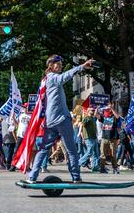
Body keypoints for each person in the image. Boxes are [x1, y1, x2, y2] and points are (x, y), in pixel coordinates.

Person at [27, 55, 94, 183]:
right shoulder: (53, 77)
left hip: (50, 120)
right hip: (61, 119)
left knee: (43, 149)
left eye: (61, 64)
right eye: (57, 63)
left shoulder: (45, 80)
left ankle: (32, 177)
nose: (60, 66)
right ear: (50, 66)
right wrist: (81, 66)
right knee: (72, 150)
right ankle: (76, 177)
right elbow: (64, 77)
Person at [95, 103, 121, 173]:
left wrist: (112, 108)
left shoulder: (114, 117)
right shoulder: (103, 117)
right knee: (103, 154)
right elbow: (96, 115)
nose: (106, 111)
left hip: (113, 138)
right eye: (105, 110)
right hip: (104, 138)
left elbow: (118, 117)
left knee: (113, 154)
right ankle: (102, 168)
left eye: (107, 110)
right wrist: (97, 108)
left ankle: (115, 168)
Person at [78, 107, 100, 172]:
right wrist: (79, 133)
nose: (93, 111)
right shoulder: (86, 118)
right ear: (88, 111)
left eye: (93, 110)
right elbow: (81, 124)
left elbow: (96, 114)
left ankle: (95, 167)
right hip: (88, 138)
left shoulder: (93, 118)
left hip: (94, 137)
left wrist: (97, 108)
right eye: (92, 110)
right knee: (89, 152)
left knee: (96, 153)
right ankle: (78, 163)